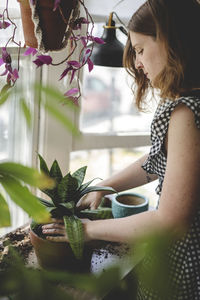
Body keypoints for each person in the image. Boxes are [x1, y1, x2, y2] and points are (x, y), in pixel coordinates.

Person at [42, 0, 200, 298]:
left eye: (140, 49)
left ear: (172, 42)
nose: (138, 63)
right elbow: (159, 160)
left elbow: (171, 221)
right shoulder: (191, 102)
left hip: (182, 269)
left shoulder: (187, 111)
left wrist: (86, 231)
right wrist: (106, 186)